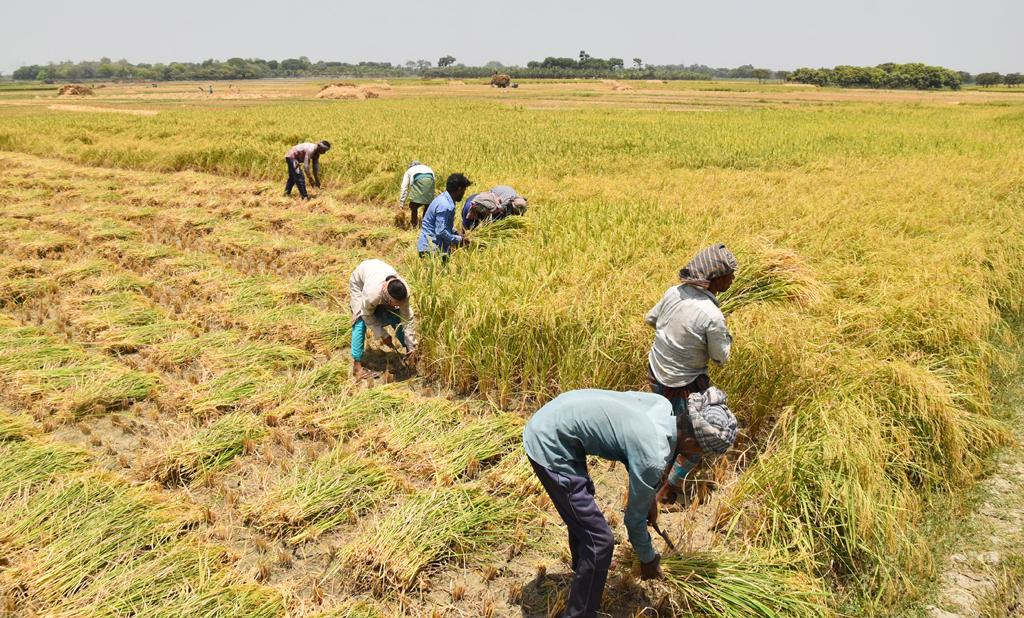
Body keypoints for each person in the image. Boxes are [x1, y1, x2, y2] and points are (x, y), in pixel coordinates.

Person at [523, 388, 737, 618]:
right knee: (600, 542)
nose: (699, 457)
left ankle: (585, 566)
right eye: (701, 451)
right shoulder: (653, 455)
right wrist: (648, 559)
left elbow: (633, 449)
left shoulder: (661, 406)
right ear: (689, 440)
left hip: (561, 414)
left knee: (583, 512)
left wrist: (649, 500)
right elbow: (633, 522)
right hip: (550, 442)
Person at [645, 243, 737, 416]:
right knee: (682, 431)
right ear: (714, 278)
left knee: (661, 415)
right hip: (680, 384)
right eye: (729, 274)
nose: (733, 278)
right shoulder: (712, 315)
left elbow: (650, 319)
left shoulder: (673, 292)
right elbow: (720, 358)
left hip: (655, 371)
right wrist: (726, 336)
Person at [348, 259, 417, 378]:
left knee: (397, 316)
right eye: (395, 304)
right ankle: (357, 367)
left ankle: (408, 352)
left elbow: (406, 319)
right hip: (360, 282)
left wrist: (411, 345)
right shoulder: (372, 295)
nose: (398, 306)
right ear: (387, 299)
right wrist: (383, 335)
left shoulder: (404, 292)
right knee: (360, 321)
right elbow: (367, 316)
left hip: (378, 271)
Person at [417, 173, 472, 258]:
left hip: (434, 247)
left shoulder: (443, 199)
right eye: (464, 191)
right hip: (431, 249)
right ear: (459, 189)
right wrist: (460, 240)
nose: (463, 194)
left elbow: (444, 225)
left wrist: (456, 233)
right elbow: (441, 231)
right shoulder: (445, 205)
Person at [461, 185, 528, 231]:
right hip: (479, 203)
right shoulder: (502, 203)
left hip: (480, 201)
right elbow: (494, 216)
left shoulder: (519, 201)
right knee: (470, 227)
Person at [398, 161, 436, 229]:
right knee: (427, 205)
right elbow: (433, 182)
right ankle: (425, 225)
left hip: (419, 181)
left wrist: (401, 203)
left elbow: (404, 187)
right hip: (430, 184)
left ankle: (414, 224)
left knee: (413, 205)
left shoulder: (409, 171)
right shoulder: (427, 168)